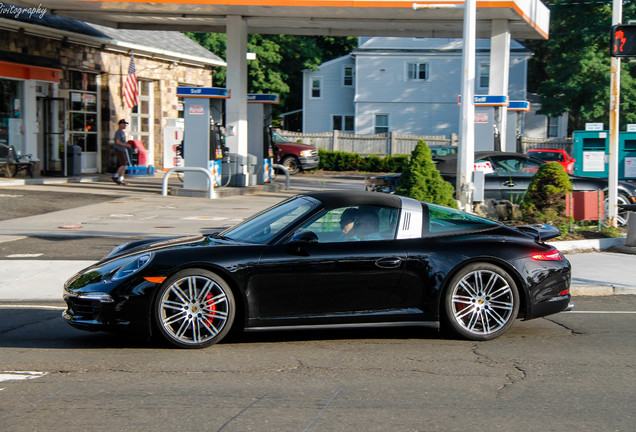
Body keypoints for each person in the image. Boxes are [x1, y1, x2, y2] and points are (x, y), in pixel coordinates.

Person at [112, 119, 132, 185]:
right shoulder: (118, 132)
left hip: (123, 149)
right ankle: (116, 176)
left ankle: (121, 178)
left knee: (124, 164)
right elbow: (118, 142)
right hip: (119, 149)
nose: (125, 125)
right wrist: (125, 145)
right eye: (124, 124)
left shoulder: (122, 132)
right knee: (123, 164)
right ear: (120, 124)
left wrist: (127, 145)